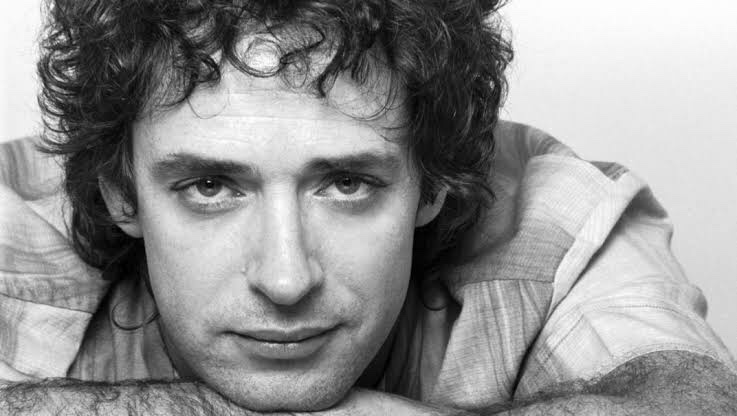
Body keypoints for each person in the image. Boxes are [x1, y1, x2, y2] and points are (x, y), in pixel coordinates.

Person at [1, 0, 735, 414]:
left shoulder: (558, 218)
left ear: (435, 181)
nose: (286, 280)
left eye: (347, 184)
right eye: (211, 187)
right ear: (120, 190)